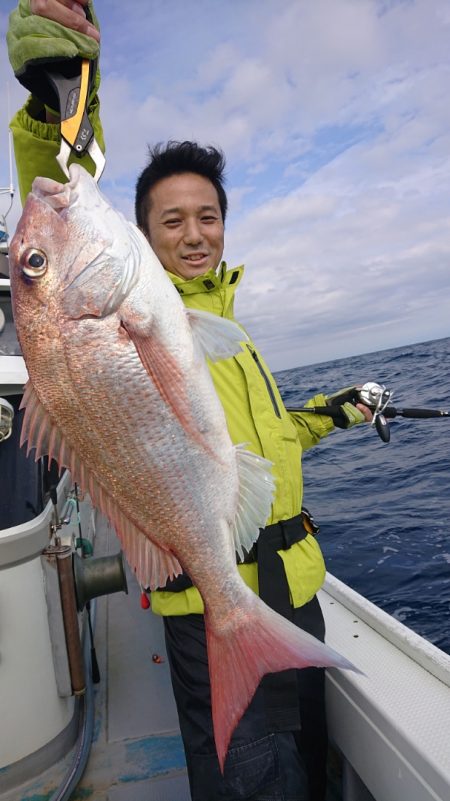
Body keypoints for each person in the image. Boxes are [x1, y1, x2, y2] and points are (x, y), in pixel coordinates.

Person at [7, 3, 372, 799]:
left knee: (302, 771)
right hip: (212, 591)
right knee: (246, 779)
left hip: (293, 589)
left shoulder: (226, 330)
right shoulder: (144, 306)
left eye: (208, 216)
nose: (194, 232)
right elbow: (57, 182)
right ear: (141, 234)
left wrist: (333, 412)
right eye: (171, 220)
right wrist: (58, 92)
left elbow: (267, 440)